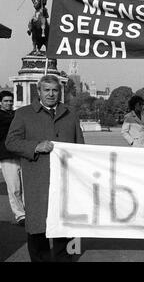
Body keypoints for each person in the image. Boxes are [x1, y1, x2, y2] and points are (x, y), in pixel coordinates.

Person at [5, 75, 85, 262]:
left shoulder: (71, 113)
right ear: (39, 91)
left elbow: (80, 145)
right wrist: (35, 146)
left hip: (65, 180)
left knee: (63, 226)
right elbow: (11, 142)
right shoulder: (23, 114)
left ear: (60, 92)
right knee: (37, 228)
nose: (51, 94)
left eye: (54, 90)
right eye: (46, 90)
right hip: (37, 180)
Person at [0, 91, 25, 226]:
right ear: (0, 102)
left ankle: (28, 212)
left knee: (26, 186)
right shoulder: (5, 117)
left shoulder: (16, 114)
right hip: (7, 156)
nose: (9, 103)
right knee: (14, 187)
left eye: (10, 101)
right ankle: (20, 215)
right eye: (6, 101)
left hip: (21, 154)